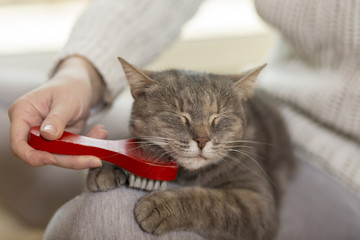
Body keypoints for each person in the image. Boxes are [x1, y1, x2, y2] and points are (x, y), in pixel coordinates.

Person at [6, 0, 360, 239]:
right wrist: (81, 73)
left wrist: (185, 206)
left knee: (105, 216)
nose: (203, 139)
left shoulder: (242, 146)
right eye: (184, 122)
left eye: (218, 123)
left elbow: (259, 217)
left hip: (344, 170)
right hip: (278, 91)